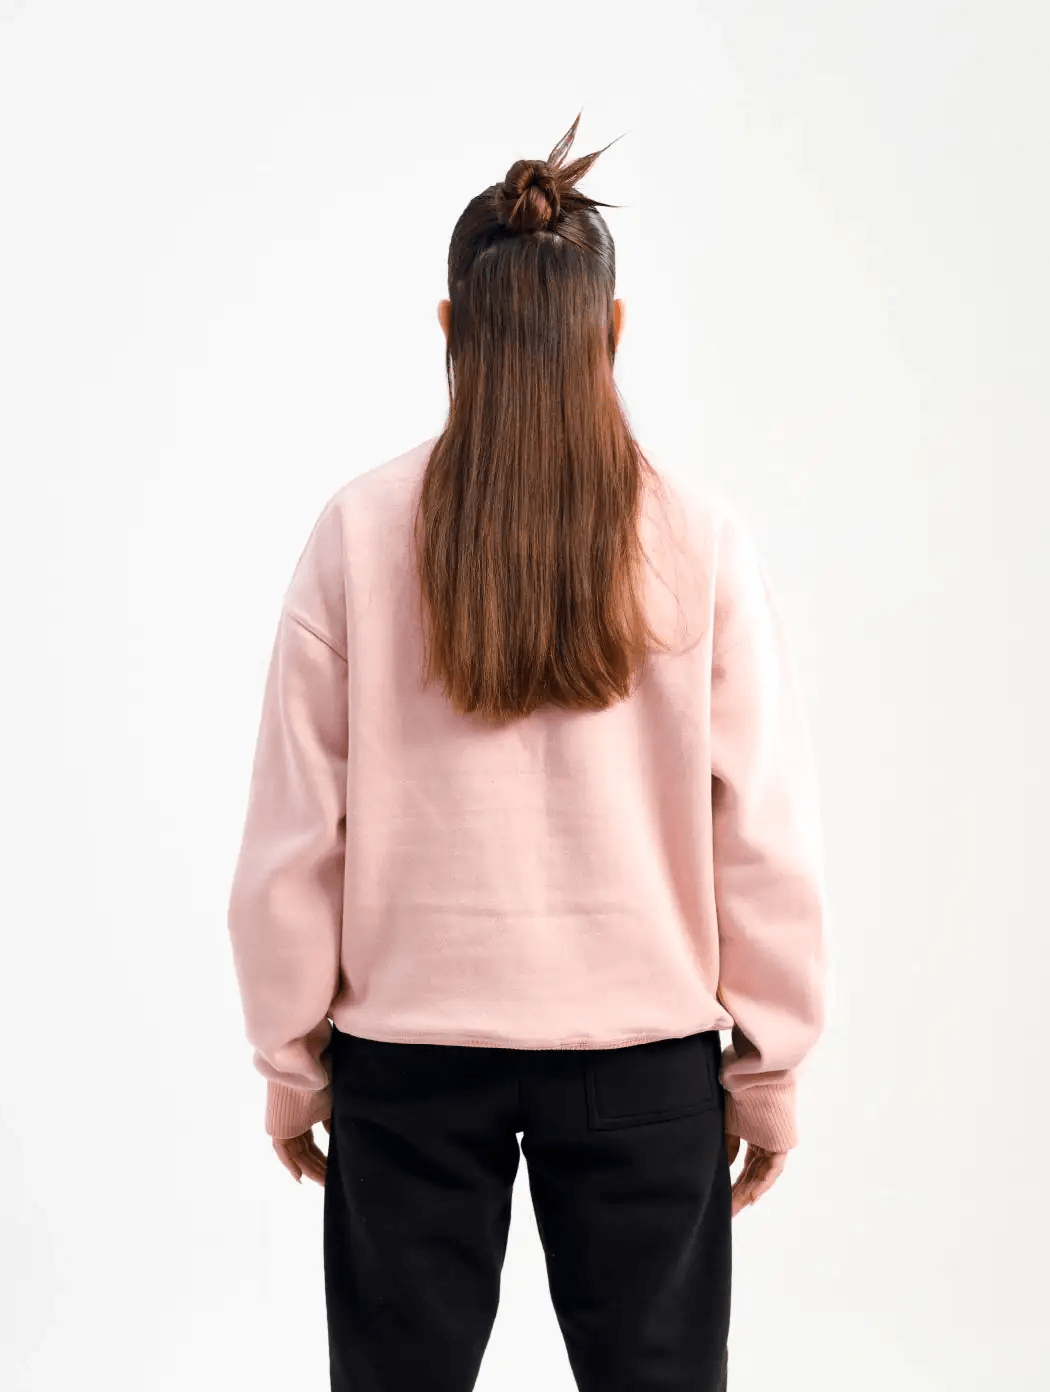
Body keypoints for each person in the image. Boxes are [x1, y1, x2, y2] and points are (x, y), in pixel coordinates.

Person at [226, 110, 827, 1392]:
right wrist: (770, 1069)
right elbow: (762, 835)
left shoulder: (357, 532)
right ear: (613, 333)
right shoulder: (702, 538)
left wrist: (289, 1061)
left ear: (449, 328)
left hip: (408, 1064)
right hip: (645, 1068)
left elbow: (294, 838)